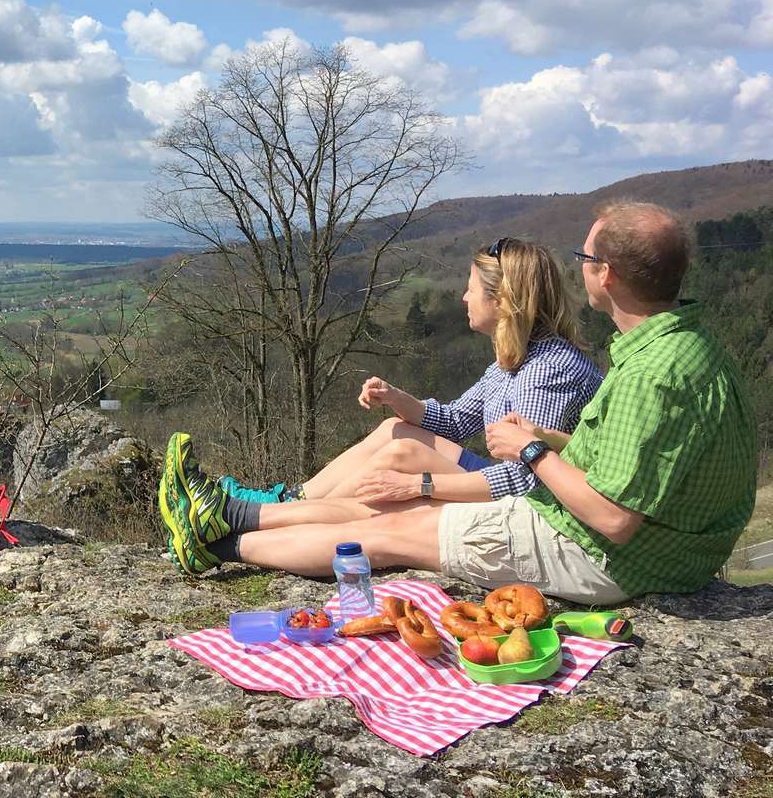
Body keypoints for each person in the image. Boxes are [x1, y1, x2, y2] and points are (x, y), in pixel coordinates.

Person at [161, 202, 757, 605]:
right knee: (397, 481)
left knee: (388, 529)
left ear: (609, 274)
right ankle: (235, 519)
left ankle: (220, 540)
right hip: (634, 541)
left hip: (614, 556)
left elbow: (614, 518)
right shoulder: (677, 349)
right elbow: (618, 464)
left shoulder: (643, 373)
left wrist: (529, 450)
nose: (580, 270)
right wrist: (541, 444)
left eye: (586, 260)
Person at [200, 238, 603, 538]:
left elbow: (527, 480)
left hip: (532, 505)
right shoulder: (516, 360)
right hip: (512, 482)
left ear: (502, 301)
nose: (463, 296)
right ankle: (288, 502)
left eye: (472, 288)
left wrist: (419, 485)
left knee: (402, 456)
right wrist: (395, 398)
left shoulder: (547, 371)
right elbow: (455, 421)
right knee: (395, 430)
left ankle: (262, 519)